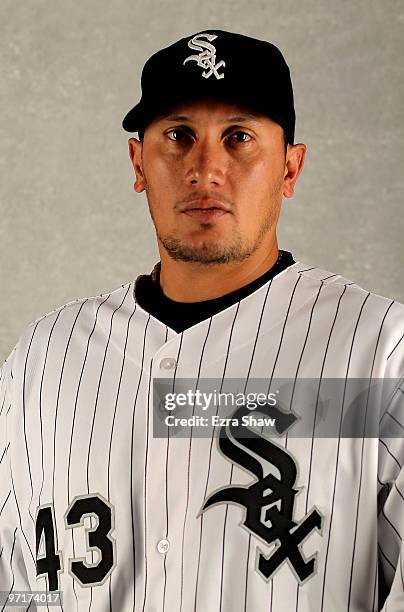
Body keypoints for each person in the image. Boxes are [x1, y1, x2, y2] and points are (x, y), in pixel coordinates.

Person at [1, 29, 403, 612]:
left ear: (290, 169)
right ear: (139, 161)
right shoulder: (42, 360)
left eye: (238, 137)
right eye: (178, 136)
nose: (205, 168)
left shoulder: (379, 352)